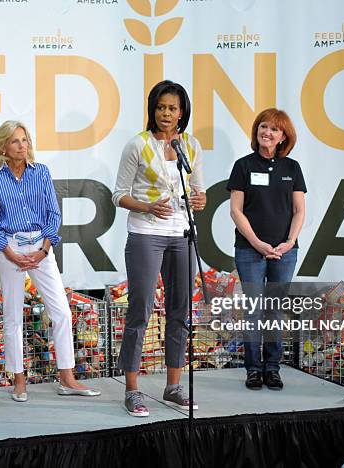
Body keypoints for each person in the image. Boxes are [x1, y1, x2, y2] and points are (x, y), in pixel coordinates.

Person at [0, 120, 100, 402]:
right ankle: (19, 381)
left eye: (24, 140)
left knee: (61, 311)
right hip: (9, 247)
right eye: (15, 141)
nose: (22, 145)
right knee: (13, 317)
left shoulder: (42, 172)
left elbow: (53, 214)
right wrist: (10, 253)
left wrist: (44, 250)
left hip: (41, 246)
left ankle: (67, 378)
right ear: (3, 147)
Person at [112, 80, 206, 417]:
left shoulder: (190, 145)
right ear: (153, 109)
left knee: (180, 310)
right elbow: (118, 193)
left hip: (181, 234)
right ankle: (132, 389)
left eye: (173, 108)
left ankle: (173, 386)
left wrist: (200, 199)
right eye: (161, 107)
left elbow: (198, 190)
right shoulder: (137, 145)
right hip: (145, 234)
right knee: (141, 310)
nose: (166, 114)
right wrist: (146, 207)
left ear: (182, 112)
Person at [227, 108, 306, 391]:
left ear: (283, 136)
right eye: (263, 127)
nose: (267, 133)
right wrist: (258, 243)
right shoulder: (243, 165)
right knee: (252, 311)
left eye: (274, 129)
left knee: (274, 311)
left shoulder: (292, 168)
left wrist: (288, 242)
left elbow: (299, 211)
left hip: (285, 252)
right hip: (250, 250)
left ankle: (272, 368)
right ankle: (253, 369)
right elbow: (236, 211)